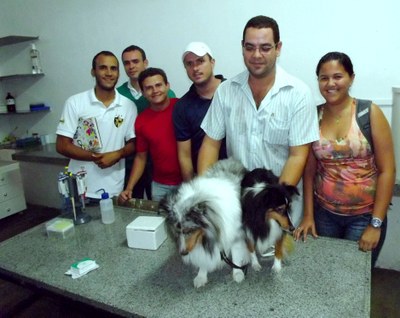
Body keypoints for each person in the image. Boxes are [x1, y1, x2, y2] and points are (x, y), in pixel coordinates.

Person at [198, 15, 319, 227]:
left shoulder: (298, 93)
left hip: (280, 208)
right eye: (249, 47)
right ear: (242, 47)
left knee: (277, 258)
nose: (256, 55)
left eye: (265, 47)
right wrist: (208, 192)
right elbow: (210, 143)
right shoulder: (226, 91)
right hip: (235, 207)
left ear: (278, 48)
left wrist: (267, 205)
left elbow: (298, 156)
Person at [294, 52, 395, 267]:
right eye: (323, 78)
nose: (330, 83)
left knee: (355, 280)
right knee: (327, 275)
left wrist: (375, 224)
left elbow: (388, 171)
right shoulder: (313, 116)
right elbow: (309, 172)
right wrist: (308, 216)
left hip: (364, 218)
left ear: (351, 78)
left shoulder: (369, 113)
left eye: (337, 76)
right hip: (324, 216)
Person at [56, 51, 137, 199]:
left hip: (114, 190)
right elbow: (62, 145)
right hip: (80, 190)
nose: (109, 73)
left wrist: (118, 154)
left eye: (113, 68)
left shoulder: (128, 106)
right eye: (103, 68)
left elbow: (133, 143)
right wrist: (96, 157)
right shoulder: (75, 103)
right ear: (93, 72)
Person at [117, 45, 176, 200]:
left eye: (158, 85)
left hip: (185, 181)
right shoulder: (141, 120)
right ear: (143, 93)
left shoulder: (180, 107)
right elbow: (140, 157)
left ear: (167, 86)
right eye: (149, 88)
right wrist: (129, 187)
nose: (155, 90)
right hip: (155, 180)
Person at [173, 42, 227, 181]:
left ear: (212, 62)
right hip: (204, 179)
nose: (195, 68)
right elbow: (184, 155)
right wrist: (194, 190)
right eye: (189, 64)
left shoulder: (233, 91)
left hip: (239, 176)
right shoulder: (182, 106)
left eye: (200, 61)